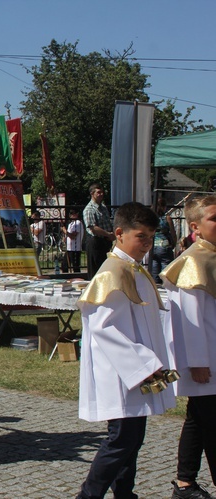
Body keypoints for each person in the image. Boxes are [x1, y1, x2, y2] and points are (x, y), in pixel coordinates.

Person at [75, 202, 175, 499]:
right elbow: (104, 328)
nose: (147, 244)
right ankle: (88, 495)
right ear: (119, 233)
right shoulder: (112, 273)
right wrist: (144, 366)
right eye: (141, 237)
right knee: (120, 441)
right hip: (122, 374)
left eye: (151, 237)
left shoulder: (132, 268)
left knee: (132, 441)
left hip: (136, 373)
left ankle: (125, 493)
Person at [161, 195, 216, 499]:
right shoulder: (195, 260)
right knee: (210, 422)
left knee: (197, 419)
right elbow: (190, 319)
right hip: (207, 359)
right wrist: (197, 361)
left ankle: (185, 482)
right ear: (195, 226)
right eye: (214, 219)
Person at [83, 183, 115, 279]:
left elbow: (108, 223)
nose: (101, 194)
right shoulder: (89, 209)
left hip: (105, 242)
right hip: (95, 242)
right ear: (92, 194)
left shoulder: (103, 207)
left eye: (102, 192)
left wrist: (111, 234)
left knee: (106, 271)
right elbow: (93, 228)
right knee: (95, 272)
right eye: (98, 192)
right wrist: (108, 234)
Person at [150, 196, 177, 284]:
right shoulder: (167, 218)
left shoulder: (151, 218)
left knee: (154, 265)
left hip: (153, 245)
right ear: (164, 207)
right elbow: (173, 232)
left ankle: (156, 285)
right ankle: (166, 284)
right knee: (166, 266)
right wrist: (174, 242)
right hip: (164, 244)